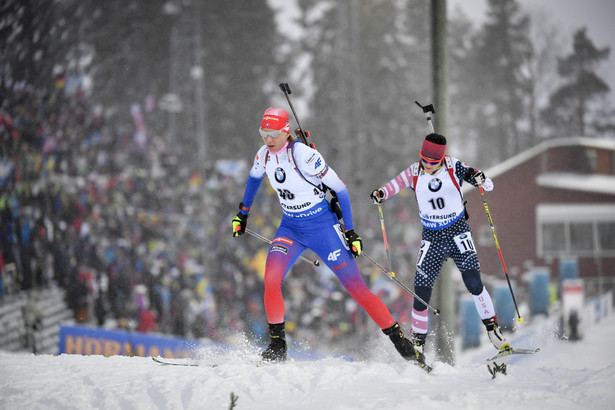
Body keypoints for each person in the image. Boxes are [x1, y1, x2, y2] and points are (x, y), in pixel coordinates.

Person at [232, 107, 427, 368]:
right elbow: (253, 179)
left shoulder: (303, 155)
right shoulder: (263, 156)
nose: (268, 139)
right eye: (263, 133)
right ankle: (278, 346)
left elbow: (341, 189)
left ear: (285, 131)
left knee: (356, 288)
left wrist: (350, 231)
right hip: (290, 228)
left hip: (323, 227)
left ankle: (402, 344)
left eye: (273, 134)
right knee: (271, 278)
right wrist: (242, 213)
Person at [370, 133, 510, 355]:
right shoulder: (415, 171)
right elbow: (394, 185)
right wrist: (380, 193)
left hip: (457, 233)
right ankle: (417, 345)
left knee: (473, 282)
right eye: (424, 159)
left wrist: (481, 178)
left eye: (432, 162)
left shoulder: (453, 165)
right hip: (432, 237)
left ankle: (493, 330)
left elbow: (487, 184)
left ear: (441, 159)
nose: (427, 165)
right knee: (420, 292)